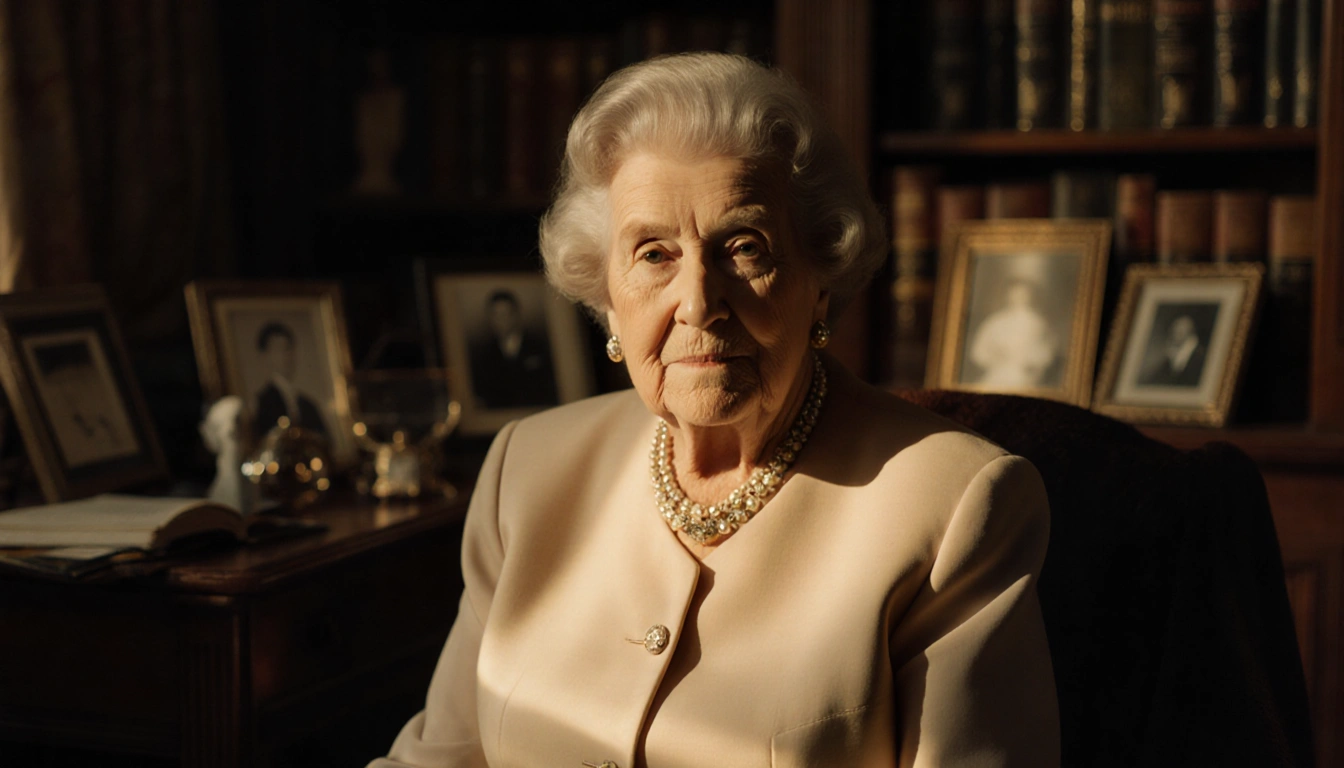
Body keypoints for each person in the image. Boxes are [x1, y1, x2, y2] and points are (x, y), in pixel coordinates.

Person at [372, 53, 1058, 767]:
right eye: (654, 253)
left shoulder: (955, 505)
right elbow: (437, 758)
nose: (699, 301)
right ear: (605, 294)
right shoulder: (527, 470)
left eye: (743, 246)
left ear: (819, 277)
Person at [466, 289, 559, 408]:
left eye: (506, 314)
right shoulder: (483, 353)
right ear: (490, 318)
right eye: (497, 315)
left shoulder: (538, 346)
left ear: (516, 314)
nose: (502, 321)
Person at [966, 279, 1060, 388]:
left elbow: (1046, 353)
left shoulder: (1039, 323)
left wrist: (1030, 364)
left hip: (1026, 377)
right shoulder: (995, 321)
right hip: (997, 373)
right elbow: (979, 351)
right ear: (1008, 295)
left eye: (1022, 294)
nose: (1018, 298)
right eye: (1014, 294)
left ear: (1030, 296)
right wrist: (995, 356)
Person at [252, 322, 329, 438]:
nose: (286, 355)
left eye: (288, 348)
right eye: (279, 348)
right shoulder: (262, 402)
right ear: (266, 355)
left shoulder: (308, 405)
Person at [1138, 313, 1207, 388]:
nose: (1174, 334)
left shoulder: (1200, 355)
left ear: (1190, 332)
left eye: (1180, 331)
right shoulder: (1171, 355)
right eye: (1174, 330)